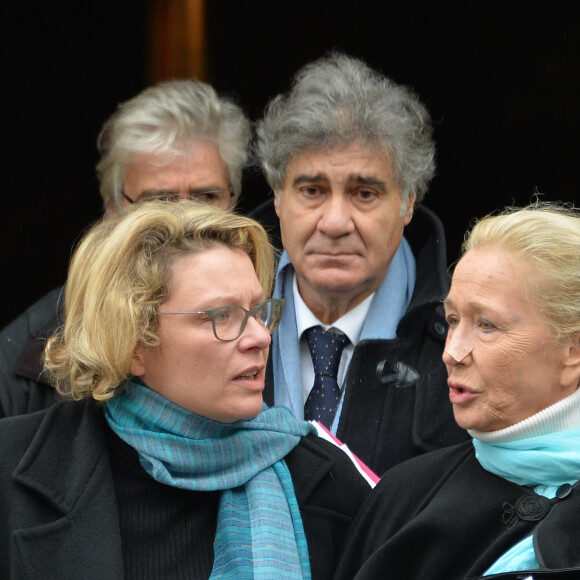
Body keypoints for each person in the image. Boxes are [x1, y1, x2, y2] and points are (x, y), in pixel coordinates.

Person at [0, 201, 371, 579]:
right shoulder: (14, 469)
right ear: (132, 343)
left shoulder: (325, 486)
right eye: (221, 316)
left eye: (259, 311)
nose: (261, 336)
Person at [332, 201, 580, 580]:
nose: (451, 353)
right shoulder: (403, 496)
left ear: (572, 352)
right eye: (451, 320)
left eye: (486, 325)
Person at [254, 51, 468, 476]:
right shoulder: (219, 322)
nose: (334, 223)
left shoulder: (464, 340)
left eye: (364, 194)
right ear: (278, 196)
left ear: (408, 201)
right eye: (312, 190)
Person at [0, 78, 251, 418]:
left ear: (233, 202)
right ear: (114, 208)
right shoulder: (26, 358)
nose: (186, 219)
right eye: (158, 201)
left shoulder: (265, 331)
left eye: (206, 197)